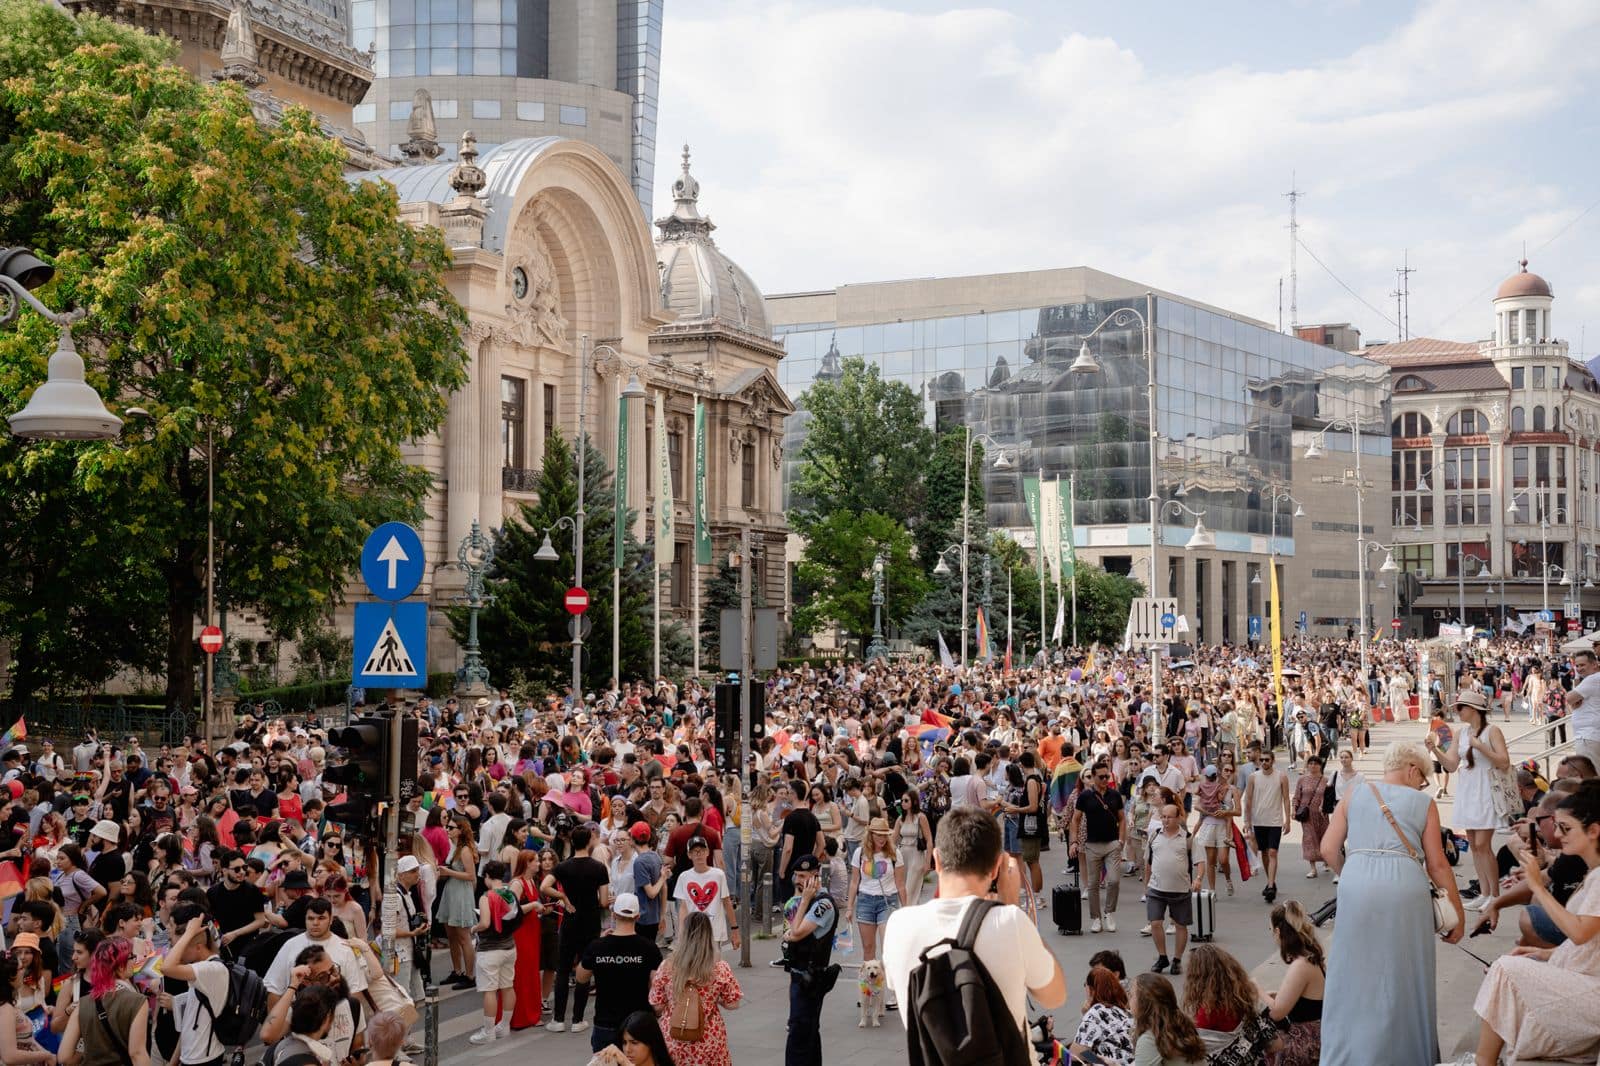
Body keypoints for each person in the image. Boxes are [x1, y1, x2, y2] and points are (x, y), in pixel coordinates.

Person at [1319, 741, 1464, 1066]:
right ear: (1413, 770)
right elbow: (1438, 865)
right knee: (1404, 974)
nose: (1422, 783)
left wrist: (1354, 873)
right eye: (1423, 777)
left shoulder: (1354, 794)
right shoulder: (1423, 802)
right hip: (1404, 888)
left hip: (1356, 884)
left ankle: (1347, 1055)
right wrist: (1457, 915)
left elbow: (1328, 849)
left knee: (1352, 973)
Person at [883, 807, 1066, 1063]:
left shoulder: (898, 925)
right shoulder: (1009, 921)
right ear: (996, 868)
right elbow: (1055, 995)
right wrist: (1011, 903)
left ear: (936, 860)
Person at [1470, 779, 1600, 1065]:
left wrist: (1538, 887)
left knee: (1505, 968)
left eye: (1565, 828)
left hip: (1591, 992)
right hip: (1585, 980)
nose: (1557, 834)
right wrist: (1544, 953)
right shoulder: (1594, 873)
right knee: (1508, 967)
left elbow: (1580, 934)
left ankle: (1482, 1062)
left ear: (1593, 831)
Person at [1427, 689, 1512, 913]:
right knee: (1474, 846)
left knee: (1484, 845)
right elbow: (1452, 765)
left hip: (1486, 791)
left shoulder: (1492, 731)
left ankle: (1494, 894)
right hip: (1468, 790)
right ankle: (1484, 893)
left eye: (1461, 708)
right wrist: (1435, 749)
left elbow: (1504, 762)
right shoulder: (1460, 734)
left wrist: (1481, 746)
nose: (1457, 711)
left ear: (1473, 709)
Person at [647, 912, 740, 1066]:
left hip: (674, 1037)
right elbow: (733, 1003)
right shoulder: (719, 968)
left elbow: (657, 1004)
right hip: (709, 1037)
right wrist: (714, 999)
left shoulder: (667, 966)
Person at [575, 893, 663, 1054]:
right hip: (638, 1023)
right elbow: (656, 986)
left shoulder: (597, 947)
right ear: (637, 917)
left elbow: (581, 977)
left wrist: (597, 945)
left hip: (605, 1022)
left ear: (614, 915)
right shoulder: (649, 948)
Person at [546, 826, 611, 1032]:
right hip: (590, 922)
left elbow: (544, 886)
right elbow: (603, 901)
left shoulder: (563, 867)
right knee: (585, 969)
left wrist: (563, 897)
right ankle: (577, 1019)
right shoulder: (599, 868)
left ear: (572, 842)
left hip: (570, 921)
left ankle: (558, 1019)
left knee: (563, 969)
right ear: (590, 841)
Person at [778, 853, 837, 1066]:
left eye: (803, 876)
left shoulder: (823, 904)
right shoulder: (810, 901)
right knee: (809, 1034)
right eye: (796, 875)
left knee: (799, 1036)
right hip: (798, 976)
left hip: (810, 980)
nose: (798, 881)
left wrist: (803, 902)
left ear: (815, 876)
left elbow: (796, 932)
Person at [468, 860, 533, 1045]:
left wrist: (474, 928)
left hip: (489, 949)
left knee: (489, 990)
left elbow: (486, 923)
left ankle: (488, 1031)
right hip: (509, 947)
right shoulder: (510, 893)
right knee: (507, 986)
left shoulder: (487, 896)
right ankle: (504, 1026)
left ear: (487, 877)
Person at [59, 937, 149, 1066]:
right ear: (120, 964)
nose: (133, 961)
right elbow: (137, 1054)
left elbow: (64, 1057)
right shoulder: (137, 1001)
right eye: (131, 957)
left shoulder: (82, 1004)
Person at [160, 907, 231, 1066]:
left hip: (204, 1059)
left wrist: (189, 933)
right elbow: (188, 1024)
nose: (177, 953)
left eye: (181, 948)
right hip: (193, 1056)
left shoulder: (211, 970)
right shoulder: (202, 971)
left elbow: (166, 968)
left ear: (198, 947)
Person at [1261, 901, 1323, 1066]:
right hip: (1318, 1032)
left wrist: (1256, 990)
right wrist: (1278, 995)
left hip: (1308, 1039)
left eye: (1271, 930)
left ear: (1277, 931)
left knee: (1259, 1047)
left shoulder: (1301, 965)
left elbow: (1277, 1013)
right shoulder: (1311, 956)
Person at [1143, 802, 1200, 975]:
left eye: (1169, 817)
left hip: (1180, 889)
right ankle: (1162, 957)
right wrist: (1145, 886)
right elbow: (1147, 862)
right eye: (1163, 817)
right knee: (1155, 923)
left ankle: (1177, 959)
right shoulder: (1154, 836)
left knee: (1180, 925)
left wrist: (1198, 879)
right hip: (1156, 887)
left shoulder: (1187, 838)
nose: (1166, 820)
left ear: (1178, 818)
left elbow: (1199, 861)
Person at [844, 817, 905, 969]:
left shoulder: (895, 854)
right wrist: (849, 907)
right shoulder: (860, 853)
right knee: (868, 948)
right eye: (878, 835)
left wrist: (905, 909)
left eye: (885, 835)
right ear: (870, 835)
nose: (882, 838)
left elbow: (900, 884)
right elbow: (854, 882)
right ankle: (871, 990)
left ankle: (891, 985)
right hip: (865, 901)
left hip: (887, 902)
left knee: (887, 947)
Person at [1071, 760, 1125, 932]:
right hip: (1092, 845)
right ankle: (1096, 917)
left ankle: (1110, 912)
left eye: (1106, 776)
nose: (1104, 779)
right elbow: (1075, 819)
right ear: (1093, 777)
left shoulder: (1114, 795)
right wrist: (1073, 841)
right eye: (1101, 777)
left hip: (1112, 844)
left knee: (1114, 881)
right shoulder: (1085, 796)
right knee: (1093, 884)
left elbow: (1122, 818)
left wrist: (1121, 840)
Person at [672, 837, 738, 952]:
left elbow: (727, 902)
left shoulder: (718, 875)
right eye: (695, 851)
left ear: (707, 852)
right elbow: (683, 907)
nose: (699, 855)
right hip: (693, 931)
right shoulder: (684, 877)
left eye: (702, 850)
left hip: (714, 931)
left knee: (714, 966)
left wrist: (735, 929)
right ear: (689, 855)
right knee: (695, 966)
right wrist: (681, 934)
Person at [1241, 747, 1290, 902]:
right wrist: (1247, 821)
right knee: (1264, 852)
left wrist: (1287, 820)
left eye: (1266, 760)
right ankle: (1271, 881)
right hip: (1258, 820)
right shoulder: (1253, 777)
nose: (1263, 762)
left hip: (1274, 821)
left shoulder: (1281, 777)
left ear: (1272, 761)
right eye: (1261, 760)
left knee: (1273, 852)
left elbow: (1286, 799)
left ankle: (1269, 887)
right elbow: (1247, 800)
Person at [1128, 973, 1205, 1066]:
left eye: (1131, 995)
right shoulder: (1181, 1025)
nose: (1129, 999)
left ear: (1144, 1003)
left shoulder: (1149, 1040)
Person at [1068, 964, 1134, 1066]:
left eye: (1085, 985)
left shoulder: (1096, 1012)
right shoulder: (1125, 1011)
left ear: (1091, 989)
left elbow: (1074, 1054)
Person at [0, 952, 52, 1066]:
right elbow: (9, 1056)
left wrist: (45, 1053)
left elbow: (28, 1040)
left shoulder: (8, 1003)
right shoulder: (5, 1009)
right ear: (10, 976)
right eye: (21, 968)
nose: (24, 971)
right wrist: (46, 1055)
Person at [1294, 755, 1331, 879]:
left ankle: (1326, 860)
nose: (1313, 766)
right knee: (1309, 839)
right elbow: (1297, 796)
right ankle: (1313, 868)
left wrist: (1324, 805)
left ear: (1320, 766)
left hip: (1322, 815)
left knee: (1324, 838)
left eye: (1316, 763)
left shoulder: (1326, 780)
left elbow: (1329, 797)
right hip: (1306, 814)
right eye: (1310, 763)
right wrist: (1294, 810)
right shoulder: (1302, 780)